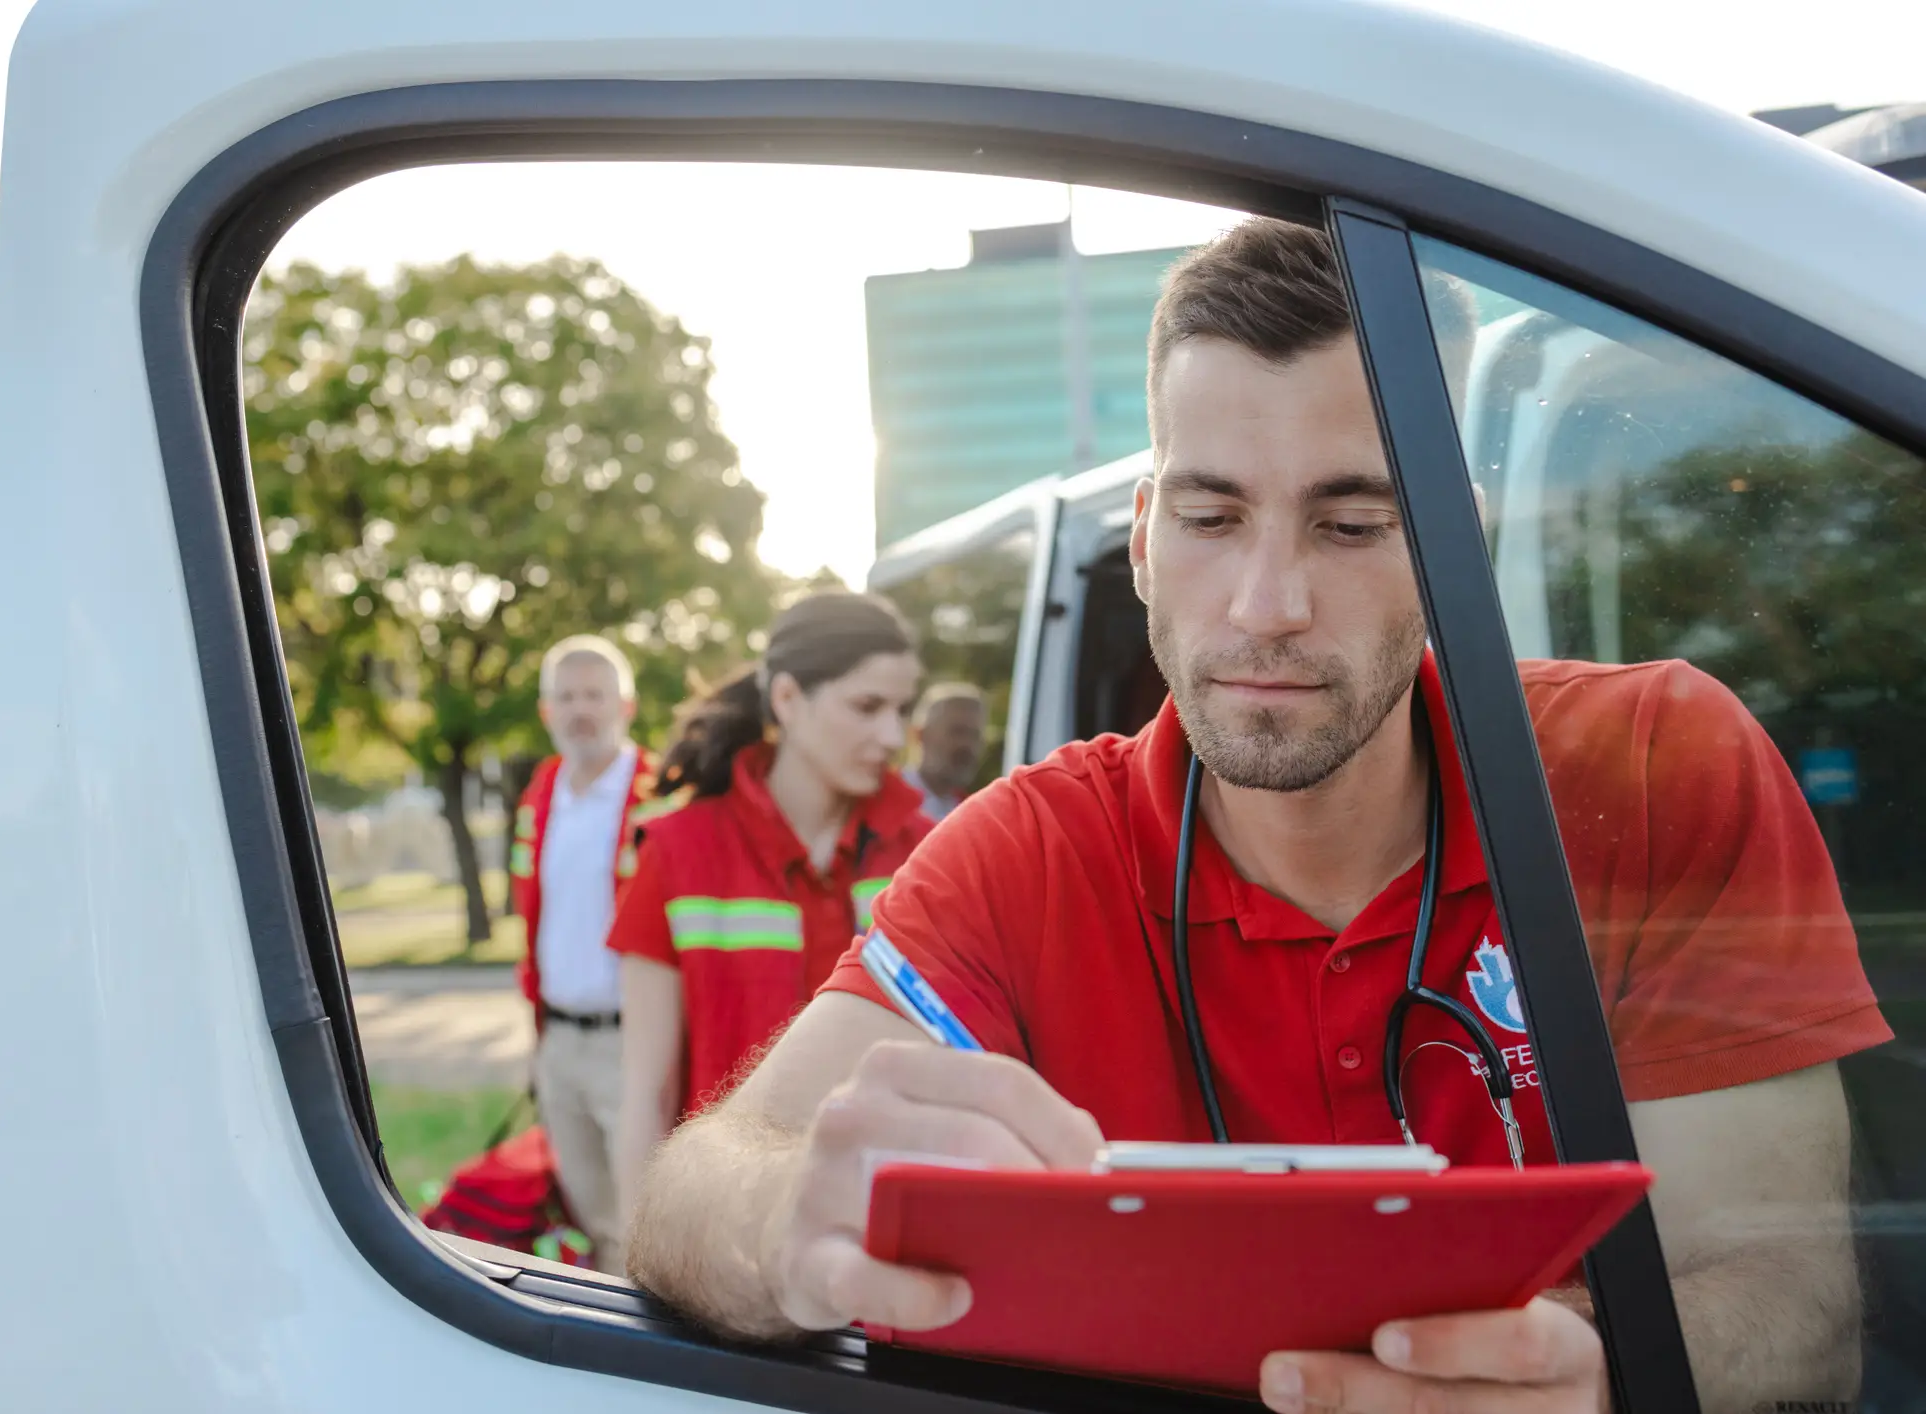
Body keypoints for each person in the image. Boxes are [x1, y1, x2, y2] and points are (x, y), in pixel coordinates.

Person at [623, 221, 1889, 1414]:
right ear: (1140, 539)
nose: (1266, 602)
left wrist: (1600, 1369)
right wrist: (792, 1220)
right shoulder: (1031, 850)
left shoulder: (1656, 765)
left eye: (1348, 523)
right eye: (1210, 517)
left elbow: (1800, 1305)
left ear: (1455, 541)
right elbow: (689, 1193)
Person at [605, 591, 935, 1229]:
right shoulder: (677, 852)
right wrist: (637, 1273)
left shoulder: (930, 850)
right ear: (787, 698)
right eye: (867, 706)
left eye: (901, 710)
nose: (893, 737)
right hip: (724, 1240)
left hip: (887, 1235)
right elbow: (647, 1093)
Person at [507, 634, 666, 1274]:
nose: (581, 711)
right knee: (592, 1220)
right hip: (560, 1042)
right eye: (566, 697)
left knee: (644, 1221)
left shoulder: (660, 795)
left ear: (626, 705)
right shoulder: (542, 796)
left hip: (631, 1042)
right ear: (547, 712)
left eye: (594, 695)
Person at [902, 682, 987, 822]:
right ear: (920, 734)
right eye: (957, 732)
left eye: (974, 735)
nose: (966, 744)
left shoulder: (975, 814)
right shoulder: (879, 800)